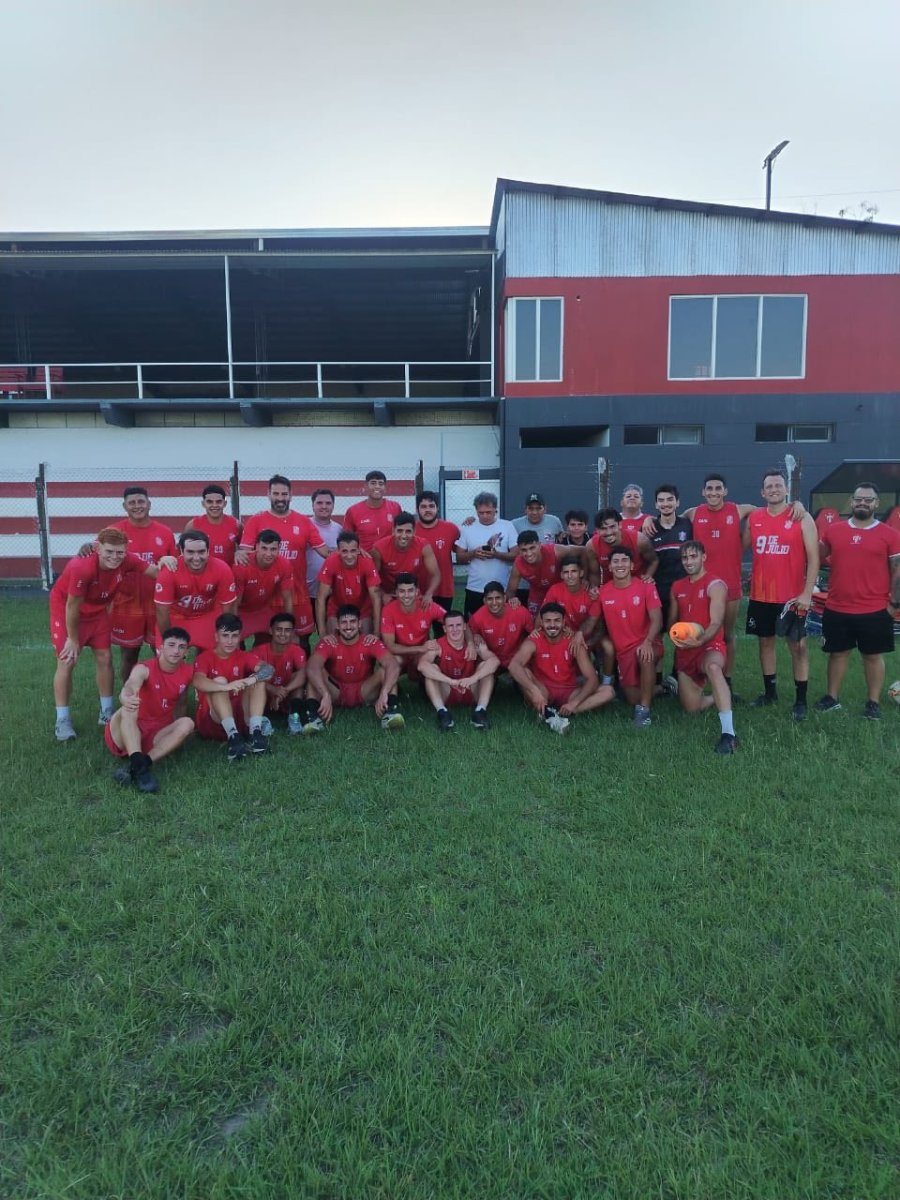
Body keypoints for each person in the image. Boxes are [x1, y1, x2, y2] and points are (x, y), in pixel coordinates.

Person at [643, 472, 805, 691]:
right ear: (703, 492)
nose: (713, 493)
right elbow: (668, 517)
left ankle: (726, 681)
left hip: (730, 585)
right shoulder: (693, 513)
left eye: (718, 488)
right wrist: (647, 519)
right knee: (687, 630)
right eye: (709, 489)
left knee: (727, 635)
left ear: (725, 491)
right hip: (698, 586)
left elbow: (772, 508)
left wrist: (797, 504)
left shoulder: (738, 510)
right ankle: (681, 674)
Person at [50, 527, 172, 741]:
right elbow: (72, 606)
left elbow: (154, 572)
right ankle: (62, 718)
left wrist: (167, 563)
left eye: (120, 552)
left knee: (105, 657)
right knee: (67, 660)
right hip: (68, 611)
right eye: (109, 552)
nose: (115, 557)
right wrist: (73, 638)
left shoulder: (127, 560)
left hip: (98, 612)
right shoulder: (82, 567)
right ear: (97, 548)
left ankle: (106, 711)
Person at [815, 482, 900, 719]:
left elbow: (898, 571)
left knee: (872, 656)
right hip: (837, 606)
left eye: (868, 499)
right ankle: (832, 698)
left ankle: (872, 702)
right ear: (852, 501)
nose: (863, 502)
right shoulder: (834, 531)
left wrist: (895, 603)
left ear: (876, 503)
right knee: (837, 654)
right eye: (859, 499)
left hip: (874, 608)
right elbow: (816, 555)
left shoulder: (890, 534)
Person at [744, 469, 819, 719]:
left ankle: (800, 701)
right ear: (762, 492)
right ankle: (770, 693)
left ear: (786, 489)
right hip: (761, 595)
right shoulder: (754, 517)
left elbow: (814, 558)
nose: (774, 489)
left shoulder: (801, 516)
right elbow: (739, 545)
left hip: (792, 597)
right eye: (769, 486)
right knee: (765, 643)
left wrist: (807, 592)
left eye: (778, 485)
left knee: (798, 646)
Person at [237, 475, 328, 645]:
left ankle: (301, 671)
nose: (280, 498)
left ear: (291, 495)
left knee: (301, 641)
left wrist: (351, 551)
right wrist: (238, 553)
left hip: (297, 593)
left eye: (284, 494)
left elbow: (325, 552)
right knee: (264, 640)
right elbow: (245, 554)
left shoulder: (303, 522)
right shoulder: (256, 521)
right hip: (265, 597)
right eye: (276, 493)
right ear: (268, 494)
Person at [104, 626, 196, 793]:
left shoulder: (188, 671)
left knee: (187, 723)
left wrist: (240, 683)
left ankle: (140, 765)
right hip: (127, 731)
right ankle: (142, 771)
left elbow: (209, 685)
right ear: (160, 647)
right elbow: (131, 684)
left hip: (156, 734)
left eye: (181, 647)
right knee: (129, 707)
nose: (176, 651)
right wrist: (125, 696)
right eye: (171, 645)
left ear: (186, 652)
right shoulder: (144, 668)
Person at [669, 541, 737, 754]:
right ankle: (721, 695)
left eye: (693, 556)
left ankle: (729, 734)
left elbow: (716, 622)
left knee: (715, 668)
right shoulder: (677, 586)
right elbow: (672, 621)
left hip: (709, 645)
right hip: (685, 651)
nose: (689, 562)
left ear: (703, 557)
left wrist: (700, 640)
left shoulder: (715, 585)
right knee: (692, 708)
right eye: (685, 558)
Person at [509, 602, 614, 734]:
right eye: (548, 621)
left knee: (608, 691)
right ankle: (545, 709)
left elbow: (592, 678)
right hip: (543, 691)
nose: (552, 625)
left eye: (557, 620)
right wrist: (534, 690)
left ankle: (561, 712)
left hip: (569, 692)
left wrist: (574, 703)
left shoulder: (573, 642)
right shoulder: (533, 640)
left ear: (564, 621)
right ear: (541, 622)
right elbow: (513, 665)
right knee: (523, 671)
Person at [108, 486, 178, 681]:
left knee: (163, 653)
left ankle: (163, 695)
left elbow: (176, 567)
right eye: (132, 503)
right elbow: (98, 553)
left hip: (159, 604)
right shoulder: (114, 532)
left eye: (141, 502)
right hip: (127, 603)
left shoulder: (164, 532)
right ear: (125, 506)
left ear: (149, 504)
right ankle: (129, 697)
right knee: (129, 655)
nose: (137, 506)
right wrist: (86, 547)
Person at [305, 604, 403, 731]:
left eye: (352, 622)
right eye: (344, 622)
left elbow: (393, 665)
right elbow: (312, 667)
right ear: (337, 625)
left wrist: (384, 692)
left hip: (365, 690)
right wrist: (325, 693)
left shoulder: (369, 641)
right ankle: (313, 719)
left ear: (359, 624)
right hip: (336, 690)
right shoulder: (329, 642)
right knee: (316, 673)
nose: (348, 626)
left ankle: (391, 713)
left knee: (388, 671)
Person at [192, 614, 275, 759]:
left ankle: (255, 734)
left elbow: (269, 669)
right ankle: (233, 737)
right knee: (220, 681)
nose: (230, 641)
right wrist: (227, 687)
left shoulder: (243, 655)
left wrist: (252, 679)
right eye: (225, 635)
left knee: (258, 679)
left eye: (234, 636)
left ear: (240, 637)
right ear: (216, 637)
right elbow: (198, 681)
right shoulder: (204, 658)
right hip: (214, 720)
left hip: (240, 717)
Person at [597, 546, 663, 728]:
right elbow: (595, 621)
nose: (620, 565)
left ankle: (644, 712)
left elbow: (657, 619)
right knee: (632, 697)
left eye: (624, 560)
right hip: (624, 652)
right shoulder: (603, 592)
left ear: (632, 565)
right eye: (615, 561)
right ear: (609, 567)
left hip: (648, 642)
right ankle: (658, 688)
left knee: (645, 655)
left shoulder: (646, 586)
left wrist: (648, 642)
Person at [154, 530, 237, 653]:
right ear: (181, 551)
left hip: (208, 616)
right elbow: (161, 612)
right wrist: (169, 640)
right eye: (190, 552)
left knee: (222, 656)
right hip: (176, 618)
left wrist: (226, 637)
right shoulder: (169, 571)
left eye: (201, 552)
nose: (196, 558)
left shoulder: (222, 568)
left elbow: (228, 608)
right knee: (167, 660)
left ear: (208, 551)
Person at [418, 610, 499, 731]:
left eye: (458, 625)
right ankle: (442, 712)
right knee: (431, 670)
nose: (455, 629)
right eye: (451, 626)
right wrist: (450, 681)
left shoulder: (475, 645)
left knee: (486, 667)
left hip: (471, 688)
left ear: (465, 626)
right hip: (447, 690)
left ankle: (480, 711)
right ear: (445, 628)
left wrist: (473, 678)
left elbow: (495, 661)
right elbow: (422, 666)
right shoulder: (437, 645)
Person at [647, 483, 694, 691]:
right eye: (661, 500)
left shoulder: (687, 525)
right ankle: (657, 681)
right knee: (657, 636)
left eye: (669, 500)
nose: (665, 504)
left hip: (683, 593)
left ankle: (676, 677)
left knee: (681, 635)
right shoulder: (649, 528)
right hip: (658, 592)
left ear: (677, 502)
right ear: (656, 504)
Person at [454, 491, 519, 618]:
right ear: (476, 510)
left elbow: (517, 555)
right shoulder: (468, 527)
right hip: (475, 588)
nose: (484, 516)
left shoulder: (507, 526)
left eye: (488, 512)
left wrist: (496, 555)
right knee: (472, 627)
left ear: (496, 509)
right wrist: (473, 553)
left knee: (500, 626)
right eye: (481, 513)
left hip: (501, 588)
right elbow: (459, 557)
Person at [380, 574, 448, 682]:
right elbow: (390, 646)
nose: (406, 595)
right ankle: (393, 693)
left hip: (421, 655)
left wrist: (470, 642)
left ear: (417, 591)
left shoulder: (426, 605)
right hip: (400, 654)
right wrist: (419, 648)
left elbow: (455, 621)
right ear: (396, 593)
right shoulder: (388, 610)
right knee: (391, 662)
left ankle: (425, 684)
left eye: (410, 590)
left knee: (430, 658)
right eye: (402, 591)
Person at [232, 528, 294, 645]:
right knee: (232, 643)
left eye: (273, 549)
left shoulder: (284, 564)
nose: (268, 554)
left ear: (279, 549)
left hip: (263, 610)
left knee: (291, 640)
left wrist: (289, 626)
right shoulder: (242, 566)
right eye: (264, 548)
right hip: (242, 612)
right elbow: (235, 603)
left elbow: (288, 598)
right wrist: (234, 627)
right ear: (256, 547)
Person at [316, 530, 382, 635]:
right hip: (337, 607)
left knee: (367, 641)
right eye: (345, 551)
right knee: (331, 642)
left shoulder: (367, 562)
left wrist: (377, 633)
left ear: (358, 550)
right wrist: (322, 634)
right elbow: (321, 598)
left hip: (362, 608)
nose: (349, 555)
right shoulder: (331, 561)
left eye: (353, 550)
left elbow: (376, 598)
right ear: (338, 550)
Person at [253, 612, 309, 733]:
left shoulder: (297, 650)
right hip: (266, 693)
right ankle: (261, 719)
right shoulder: (258, 652)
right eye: (279, 629)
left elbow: (303, 675)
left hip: (284, 692)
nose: (283, 634)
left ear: (293, 633)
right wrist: (273, 689)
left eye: (287, 630)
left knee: (298, 680)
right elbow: (251, 678)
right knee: (255, 684)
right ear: (270, 631)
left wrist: (283, 691)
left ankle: (294, 717)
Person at [371, 512, 441, 603]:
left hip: (412, 594)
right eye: (399, 531)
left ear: (414, 531)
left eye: (408, 531)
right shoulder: (379, 548)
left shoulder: (423, 546)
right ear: (393, 530)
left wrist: (428, 594)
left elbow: (436, 574)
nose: (404, 536)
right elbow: (373, 578)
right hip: (389, 594)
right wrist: (383, 594)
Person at [505, 530, 581, 614]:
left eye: (532, 548)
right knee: (534, 621)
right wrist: (512, 599)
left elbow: (583, 551)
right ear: (519, 550)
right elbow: (510, 591)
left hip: (561, 589)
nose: (529, 553)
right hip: (537, 593)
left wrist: (584, 578)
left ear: (539, 545)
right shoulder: (518, 563)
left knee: (565, 618)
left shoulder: (555, 551)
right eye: (524, 550)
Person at [468, 581, 534, 670]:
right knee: (480, 656)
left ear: (504, 598)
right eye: (490, 599)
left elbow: (534, 633)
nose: (494, 603)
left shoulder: (519, 611)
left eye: (498, 598)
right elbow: (467, 630)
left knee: (526, 672)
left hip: (516, 657)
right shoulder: (477, 617)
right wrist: (474, 635)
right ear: (484, 601)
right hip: (492, 657)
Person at [585, 508, 657, 587]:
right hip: (611, 589)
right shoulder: (592, 546)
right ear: (597, 530)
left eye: (612, 527)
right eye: (603, 528)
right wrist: (595, 589)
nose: (609, 532)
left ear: (620, 524)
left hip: (638, 587)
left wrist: (648, 576)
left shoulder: (639, 540)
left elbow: (654, 561)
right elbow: (594, 574)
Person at [415, 490, 460, 612]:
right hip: (417, 589)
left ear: (438, 508)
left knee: (441, 628)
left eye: (431, 506)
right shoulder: (411, 530)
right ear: (417, 509)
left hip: (443, 589)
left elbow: (463, 550)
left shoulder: (451, 529)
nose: (427, 510)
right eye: (423, 506)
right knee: (419, 628)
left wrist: (471, 523)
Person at [342, 469, 403, 552]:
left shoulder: (395, 507)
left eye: (380, 483)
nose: (377, 486)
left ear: (385, 487)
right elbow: (346, 539)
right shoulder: (353, 511)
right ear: (366, 486)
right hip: (364, 560)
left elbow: (402, 532)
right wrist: (358, 550)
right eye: (373, 483)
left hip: (389, 559)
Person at [543, 556, 602, 638]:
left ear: (581, 573)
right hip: (562, 634)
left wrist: (577, 635)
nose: (570, 576)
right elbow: (542, 615)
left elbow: (591, 623)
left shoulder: (592, 593)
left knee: (606, 645)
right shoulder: (555, 590)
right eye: (566, 572)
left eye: (573, 571)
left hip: (583, 636)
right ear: (561, 575)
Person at [184, 485, 241, 565]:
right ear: (203, 504)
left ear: (224, 503)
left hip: (229, 574)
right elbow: (183, 551)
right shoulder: (193, 525)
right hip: (202, 574)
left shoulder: (236, 524)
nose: (214, 505)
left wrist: (239, 552)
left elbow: (244, 549)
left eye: (218, 501)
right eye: (209, 502)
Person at [306, 488, 343, 601]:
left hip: (331, 592)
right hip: (305, 592)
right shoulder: (304, 525)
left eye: (328, 503)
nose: (324, 506)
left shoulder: (339, 529)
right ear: (312, 505)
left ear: (333, 505)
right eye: (319, 503)